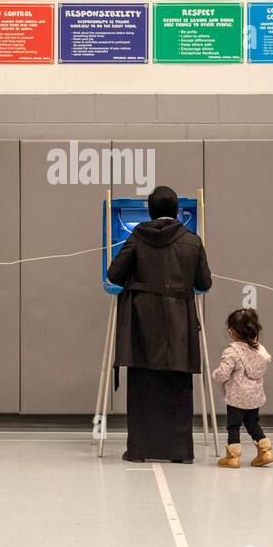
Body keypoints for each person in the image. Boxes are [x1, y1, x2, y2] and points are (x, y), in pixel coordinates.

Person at [106, 186, 212, 463]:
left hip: (142, 323)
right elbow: (204, 283)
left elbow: (114, 274)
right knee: (178, 387)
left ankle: (140, 450)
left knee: (143, 386)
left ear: (150, 211)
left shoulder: (137, 237)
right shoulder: (192, 240)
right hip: (179, 324)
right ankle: (180, 452)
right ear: (177, 211)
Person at [210, 308, 273, 469]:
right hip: (255, 397)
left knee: (234, 426)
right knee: (253, 424)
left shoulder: (231, 352)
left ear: (231, 332)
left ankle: (233, 456)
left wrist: (215, 374)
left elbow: (224, 374)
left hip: (237, 397)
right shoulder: (260, 350)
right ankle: (265, 451)